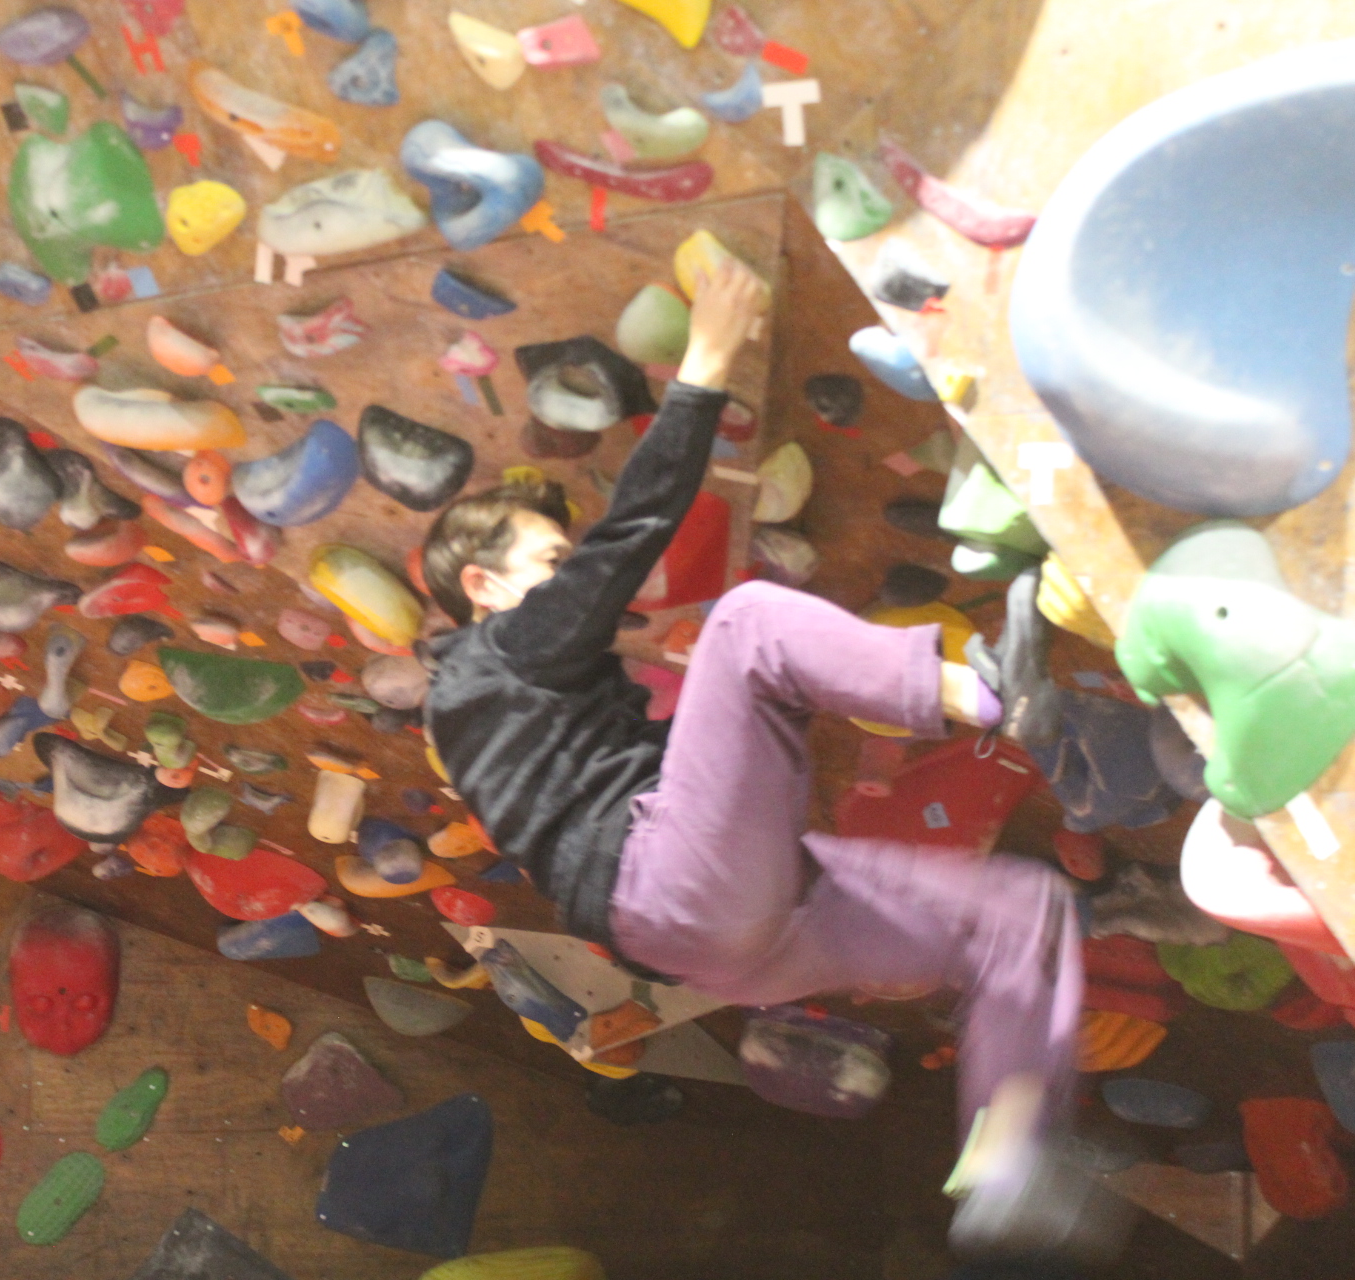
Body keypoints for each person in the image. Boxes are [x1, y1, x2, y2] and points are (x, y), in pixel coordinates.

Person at [420, 256, 1121, 1259]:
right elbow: (630, 537)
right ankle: (992, 696)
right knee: (748, 622)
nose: (571, 581)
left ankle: (1013, 1164)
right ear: (484, 589)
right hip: (670, 885)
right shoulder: (490, 654)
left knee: (1020, 911)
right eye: (550, 564)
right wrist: (705, 359)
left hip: (723, 946)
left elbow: (619, 760)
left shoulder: (487, 709)